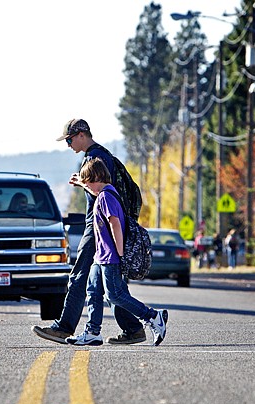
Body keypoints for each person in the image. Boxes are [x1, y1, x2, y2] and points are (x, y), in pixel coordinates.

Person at [32, 119, 146, 345]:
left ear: (82, 134)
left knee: (79, 276)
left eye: (70, 139)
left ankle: (64, 328)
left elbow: (104, 192)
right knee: (107, 285)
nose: (68, 145)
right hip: (98, 226)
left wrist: (83, 185)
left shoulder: (96, 157)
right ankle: (134, 329)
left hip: (97, 228)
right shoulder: (99, 155)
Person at [65, 159, 167, 346]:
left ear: (96, 178)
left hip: (110, 257)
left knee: (115, 295)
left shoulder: (106, 197)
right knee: (93, 291)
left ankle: (153, 316)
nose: (87, 186)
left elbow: (115, 224)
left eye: (87, 181)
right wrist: (81, 183)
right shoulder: (105, 192)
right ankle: (92, 332)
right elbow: (94, 192)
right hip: (100, 256)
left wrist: (120, 255)